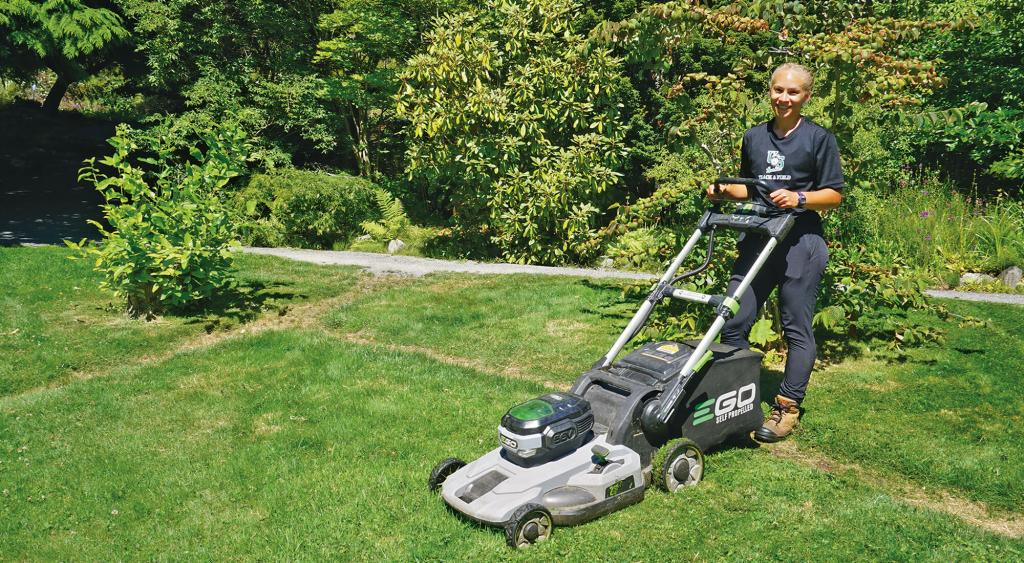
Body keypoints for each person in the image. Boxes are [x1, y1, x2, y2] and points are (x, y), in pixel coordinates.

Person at [706, 62, 844, 443]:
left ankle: (787, 406)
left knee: (795, 325)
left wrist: (799, 198)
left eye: (793, 92)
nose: (784, 97)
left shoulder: (818, 139)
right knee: (733, 316)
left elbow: (833, 195)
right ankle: (735, 397)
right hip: (759, 235)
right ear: (770, 91)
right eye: (778, 90)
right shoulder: (754, 137)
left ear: (806, 96)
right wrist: (723, 190)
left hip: (801, 241)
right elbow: (750, 188)